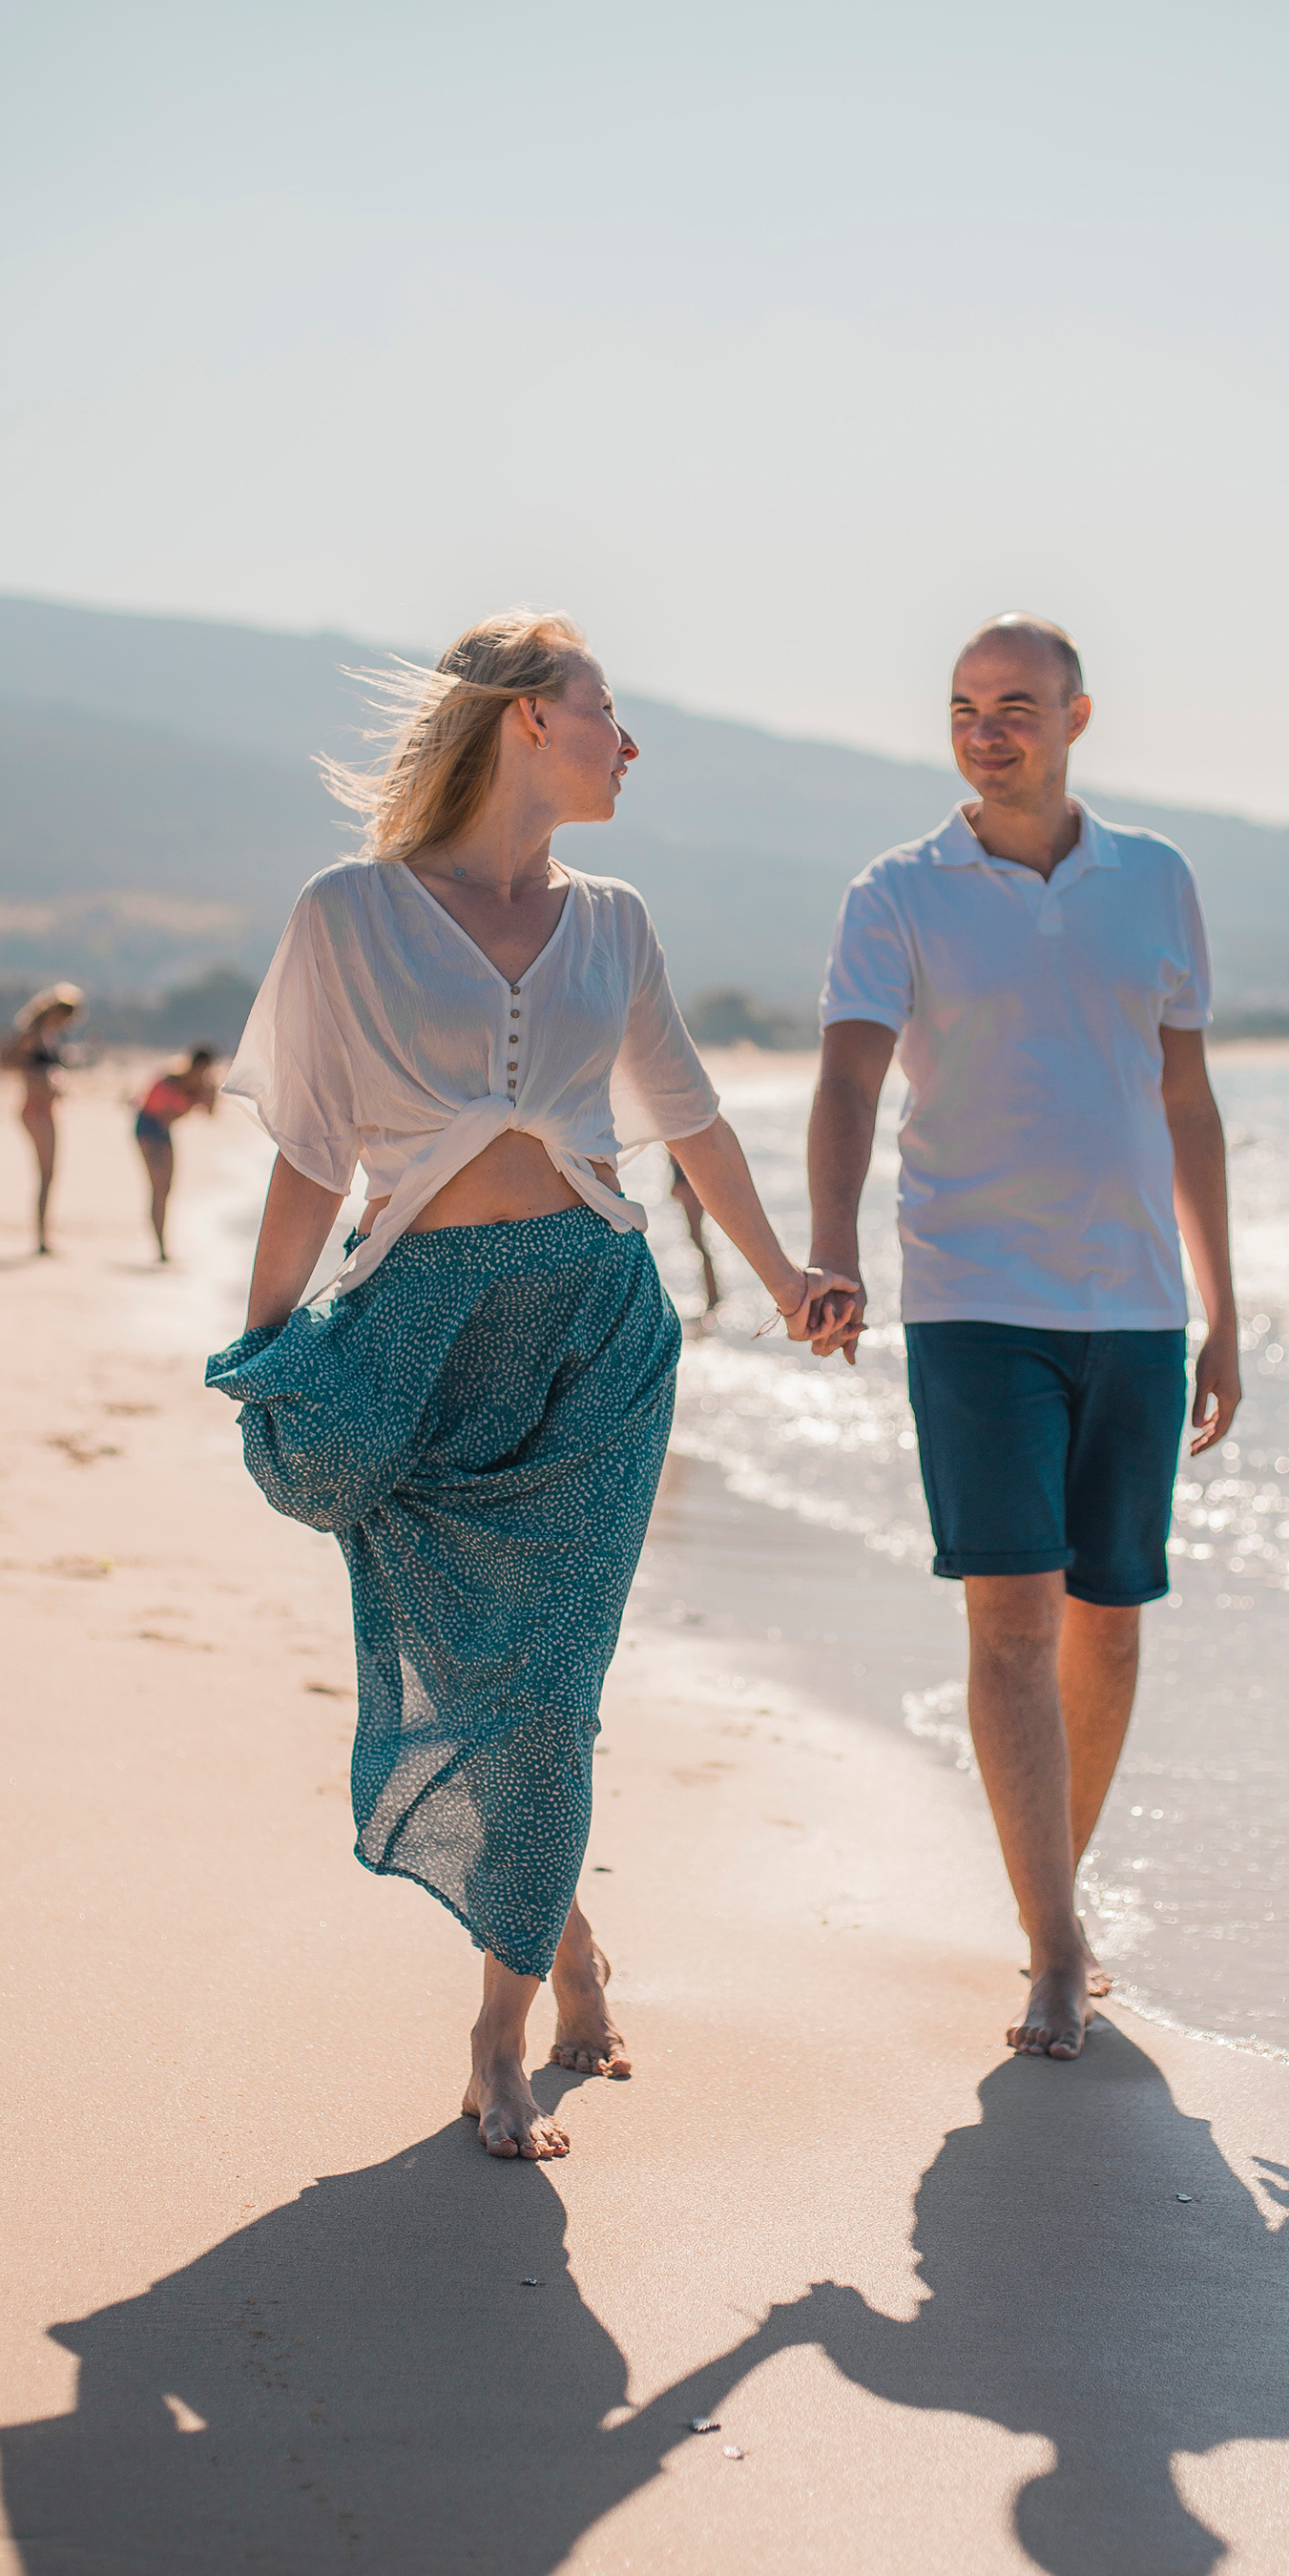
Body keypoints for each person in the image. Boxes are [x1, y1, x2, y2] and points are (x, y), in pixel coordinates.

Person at [208, 612, 856, 2163]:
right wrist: (268, 1348)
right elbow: (308, 1153)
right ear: (519, 723)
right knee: (492, 1685)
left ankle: (497, 2042)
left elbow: (686, 1119)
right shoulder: (349, 911)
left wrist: (781, 1276)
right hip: (418, 1344)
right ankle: (566, 1947)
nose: (628, 743)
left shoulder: (613, 920)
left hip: (595, 1337)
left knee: (551, 1690)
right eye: (604, 712)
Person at [806, 613, 1241, 2067]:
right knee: (1011, 1622)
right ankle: (1057, 1944)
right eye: (963, 707)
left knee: (1110, 1621)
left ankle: (1049, 1888)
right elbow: (850, 1084)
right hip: (974, 1296)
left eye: (1015, 705)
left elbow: (1186, 1102)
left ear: (1077, 717)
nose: (987, 729)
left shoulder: (1157, 882)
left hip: (1135, 1303)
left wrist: (1223, 1305)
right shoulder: (899, 890)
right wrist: (835, 1245)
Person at [0, 984, 86, 1254]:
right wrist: (40, 1075)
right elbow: (7, 1062)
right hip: (34, 1108)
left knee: (49, 1175)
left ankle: (44, 1235)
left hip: (45, 1108)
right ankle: (41, 1238)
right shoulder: (32, 1033)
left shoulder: (47, 1035)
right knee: (45, 1175)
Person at [133, 1044, 222, 1260]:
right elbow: (164, 1116)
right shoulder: (169, 1081)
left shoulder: (199, 1088)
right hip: (148, 1127)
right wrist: (194, 1102)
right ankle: (160, 1246)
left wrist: (210, 1095)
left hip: (164, 1132)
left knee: (167, 1189)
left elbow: (210, 1114)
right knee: (158, 1188)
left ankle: (162, 1244)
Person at [667, 1151, 723, 1319]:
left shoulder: (678, 1129)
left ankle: (713, 1299)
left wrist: (678, 1181)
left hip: (689, 1186)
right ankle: (713, 1298)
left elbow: (686, 1163)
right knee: (698, 1241)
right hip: (687, 1184)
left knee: (699, 1242)